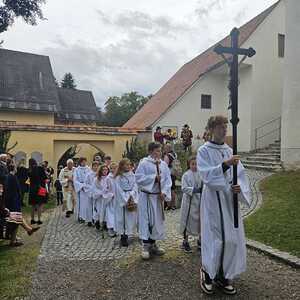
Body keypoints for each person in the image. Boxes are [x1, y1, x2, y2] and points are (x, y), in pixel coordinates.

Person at [197, 115, 251, 296]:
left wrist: (239, 188)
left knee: (231, 238)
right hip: (213, 199)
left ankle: (225, 275)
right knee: (215, 238)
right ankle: (208, 273)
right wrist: (225, 165)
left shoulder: (230, 151)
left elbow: (241, 175)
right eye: (220, 126)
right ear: (211, 129)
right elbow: (206, 176)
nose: (224, 129)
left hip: (229, 200)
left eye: (225, 126)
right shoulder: (203, 151)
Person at [135, 142, 172, 260]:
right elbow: (138, 178)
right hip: (147, 196)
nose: (159, 153)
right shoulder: (144, 163)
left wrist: (164, 192)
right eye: (157, 151)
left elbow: (167, 180)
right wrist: (153, 179)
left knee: (157, 221)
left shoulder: (163, 165)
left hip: (157, 197)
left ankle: (153, 244)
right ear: (150, 152)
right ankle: (145, 246)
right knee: (147, 220)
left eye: (160, 151)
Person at [5, 160, 39, 246]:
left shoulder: (11, 176)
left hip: (14, 202)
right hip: (13, 203)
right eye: (16, 167)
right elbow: (11, 192)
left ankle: (27, 230)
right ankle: (14, 240)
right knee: (15, 221)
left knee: (17, 219)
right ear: (13, 168)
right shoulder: (11, 177)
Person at [179, 156, 202, 253]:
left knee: (200, 221)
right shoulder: (186, 175)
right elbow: (184, 188)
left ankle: (200, 240)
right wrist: (194, 190)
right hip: (189, 201)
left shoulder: (201, 174)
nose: (195, 166)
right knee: (187, 221)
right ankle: (185, 241)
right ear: (189, 164)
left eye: (196, 164)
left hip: (199, 201)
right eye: (193, 164)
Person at [114, 159, 138, 247]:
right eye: (126, 165)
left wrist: (131, 195)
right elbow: (118, 189)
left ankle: (128, 234)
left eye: (129, 165)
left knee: (130, 218)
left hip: (131, 197)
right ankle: (123, 236)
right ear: (122, 166)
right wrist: (125, 198)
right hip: (122, 199)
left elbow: (136, 186)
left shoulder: (133, 175)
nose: (128, 166)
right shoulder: (118, 177)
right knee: (122, 218)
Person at [92, 164, 115, 237]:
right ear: (100, 171)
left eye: (106, 169)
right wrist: (101, 193)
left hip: (107, 198)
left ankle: (106, 224)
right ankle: (98, 222)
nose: (105, 171)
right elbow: (94, 189)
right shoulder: (96, 179)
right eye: (103, 170)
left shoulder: (109, 178)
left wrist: (108, 194)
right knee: (100, 211)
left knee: (107, 212)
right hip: (99, 198)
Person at [28, 158, 48, 225]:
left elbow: (29, 180)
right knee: (40, 205)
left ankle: (32, 220)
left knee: (33, 206)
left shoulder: (29, 170)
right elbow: (45, 178)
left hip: (32, 190)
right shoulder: (40, 168)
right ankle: (39, 220)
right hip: (39, 189)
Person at [73, 157, 90, 222]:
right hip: (80, 189)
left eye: (85, 161)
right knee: (80, 204)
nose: (84, 163)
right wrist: (81, 186)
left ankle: (87, 217)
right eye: (82, 161)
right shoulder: (77, 170)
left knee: (87, 204)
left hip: (87, 188)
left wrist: (86, 186)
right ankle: (80, 217)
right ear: (80, 162)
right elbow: (75, 180)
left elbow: (90, 178)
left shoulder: (88, 169)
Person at [163, 144, 178, 210]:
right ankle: (173, 204)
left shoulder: (167, 156)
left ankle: (169, 205)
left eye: (165, 148)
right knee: (173, 189)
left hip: (169, 174)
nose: (164, 149)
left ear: (167, 149)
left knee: (169, 189)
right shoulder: (174, 154)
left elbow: (165, 166)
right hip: (174, 173)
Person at [84, 161, 99, 226]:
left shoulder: (99, 174)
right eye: (94, 166)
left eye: (97, 166)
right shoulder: (88, 174)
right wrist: (91, 189)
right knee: (89, 206)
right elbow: (86, 184)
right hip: (90, 192)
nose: (95, 167)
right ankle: (89, 220)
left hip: (97, 193)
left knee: (96, 206)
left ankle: (96, 220)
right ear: (92, 167)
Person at [0, 153, 8, 239]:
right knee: (2, 205)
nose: (7, 159)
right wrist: (7, 176)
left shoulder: (4, 165)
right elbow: (2, 176)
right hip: (2, 187)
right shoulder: (1, 166)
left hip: (4, 187)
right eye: (5, 158)